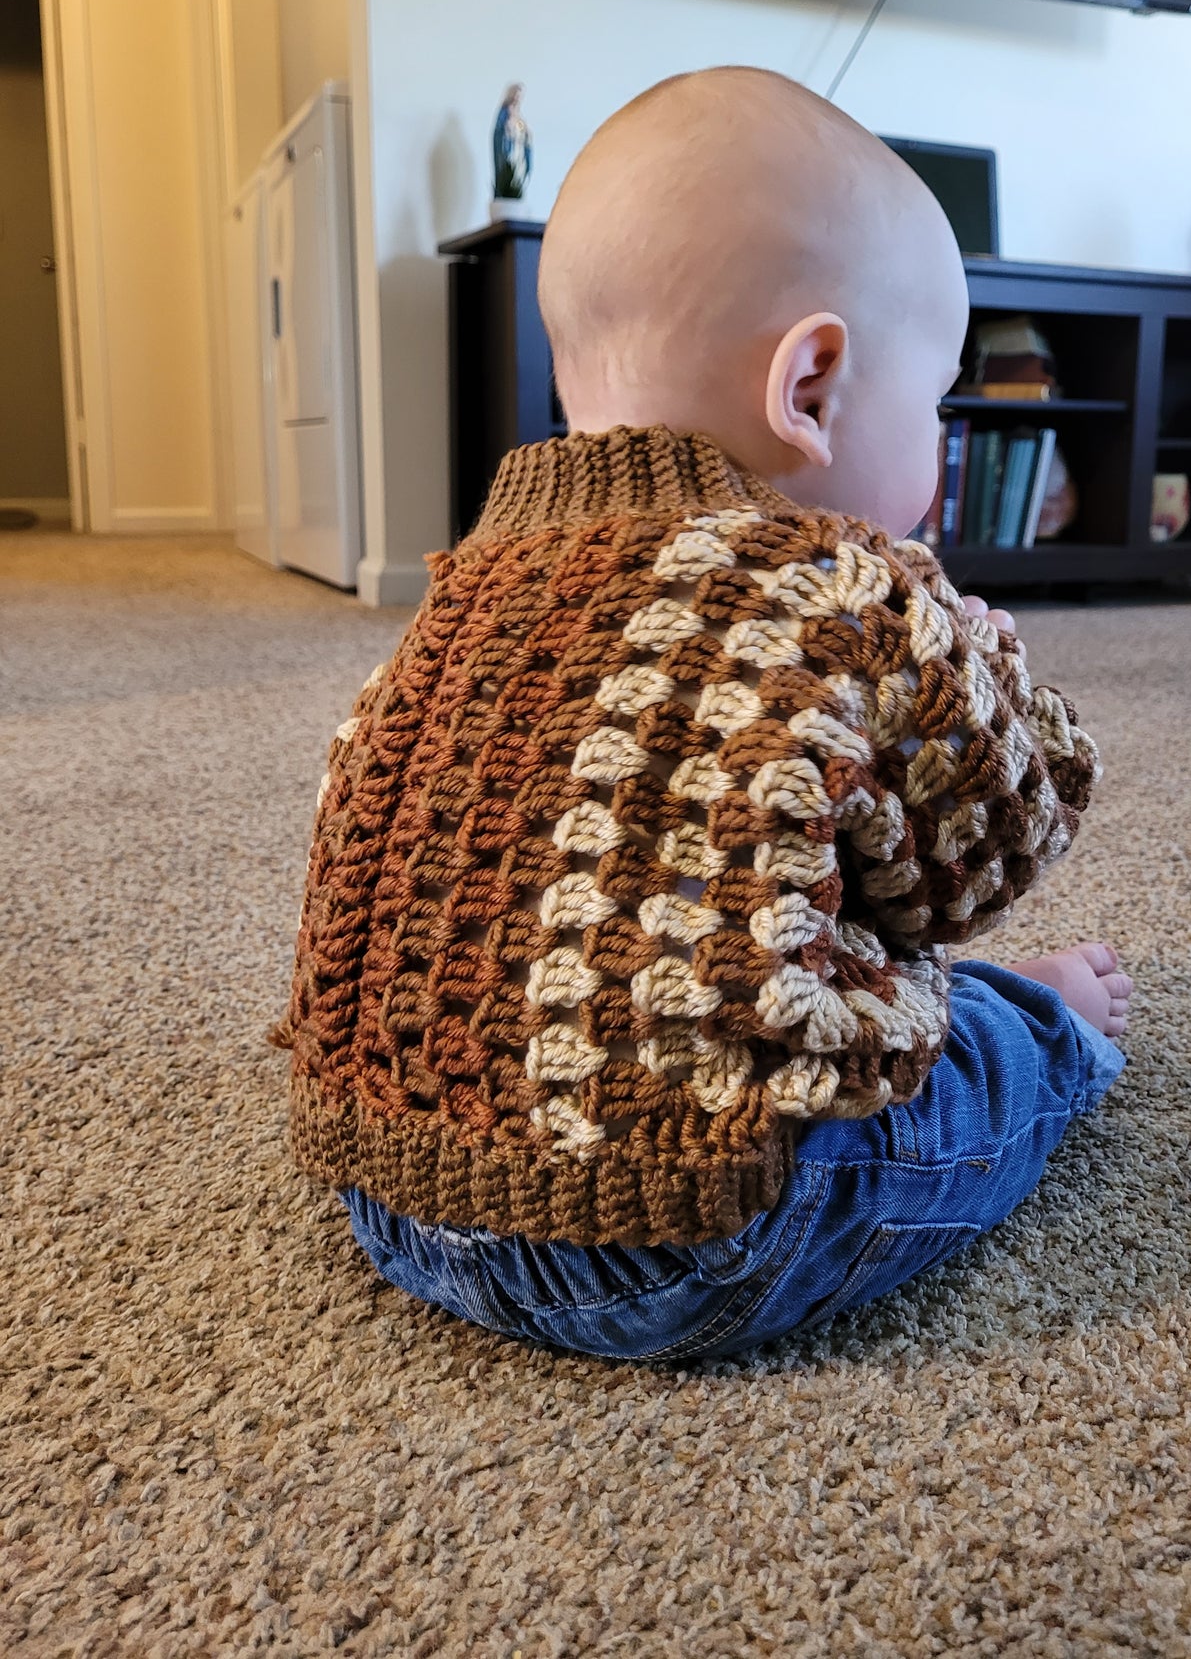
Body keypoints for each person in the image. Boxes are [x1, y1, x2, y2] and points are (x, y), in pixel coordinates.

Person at [274, 68, 1133, 1361]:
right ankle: (1047, 1027)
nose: (942, 440)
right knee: (968, 1065)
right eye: (939, 400)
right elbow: (984, 855)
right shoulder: (840, 583)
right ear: (812, 384)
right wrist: (983, 664)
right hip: (688, 1234)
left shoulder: (463, 591)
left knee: (757, 914)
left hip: (394, 1191)